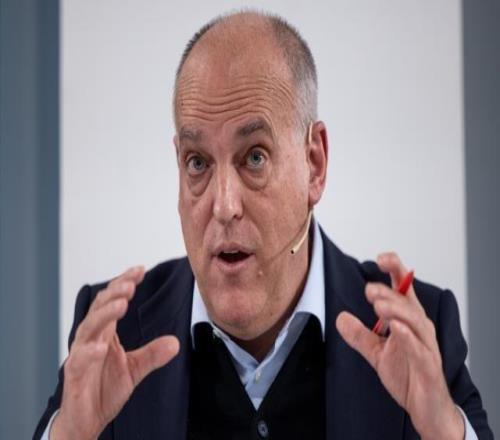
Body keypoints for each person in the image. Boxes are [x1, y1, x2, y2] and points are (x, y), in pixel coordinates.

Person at [35, 10, 493, 440]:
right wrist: (71, 433)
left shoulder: (420, 332)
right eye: (197, 163)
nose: (224, 206)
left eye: (254, 157)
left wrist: (442, 428)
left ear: (314, 164)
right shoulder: (114, 336)